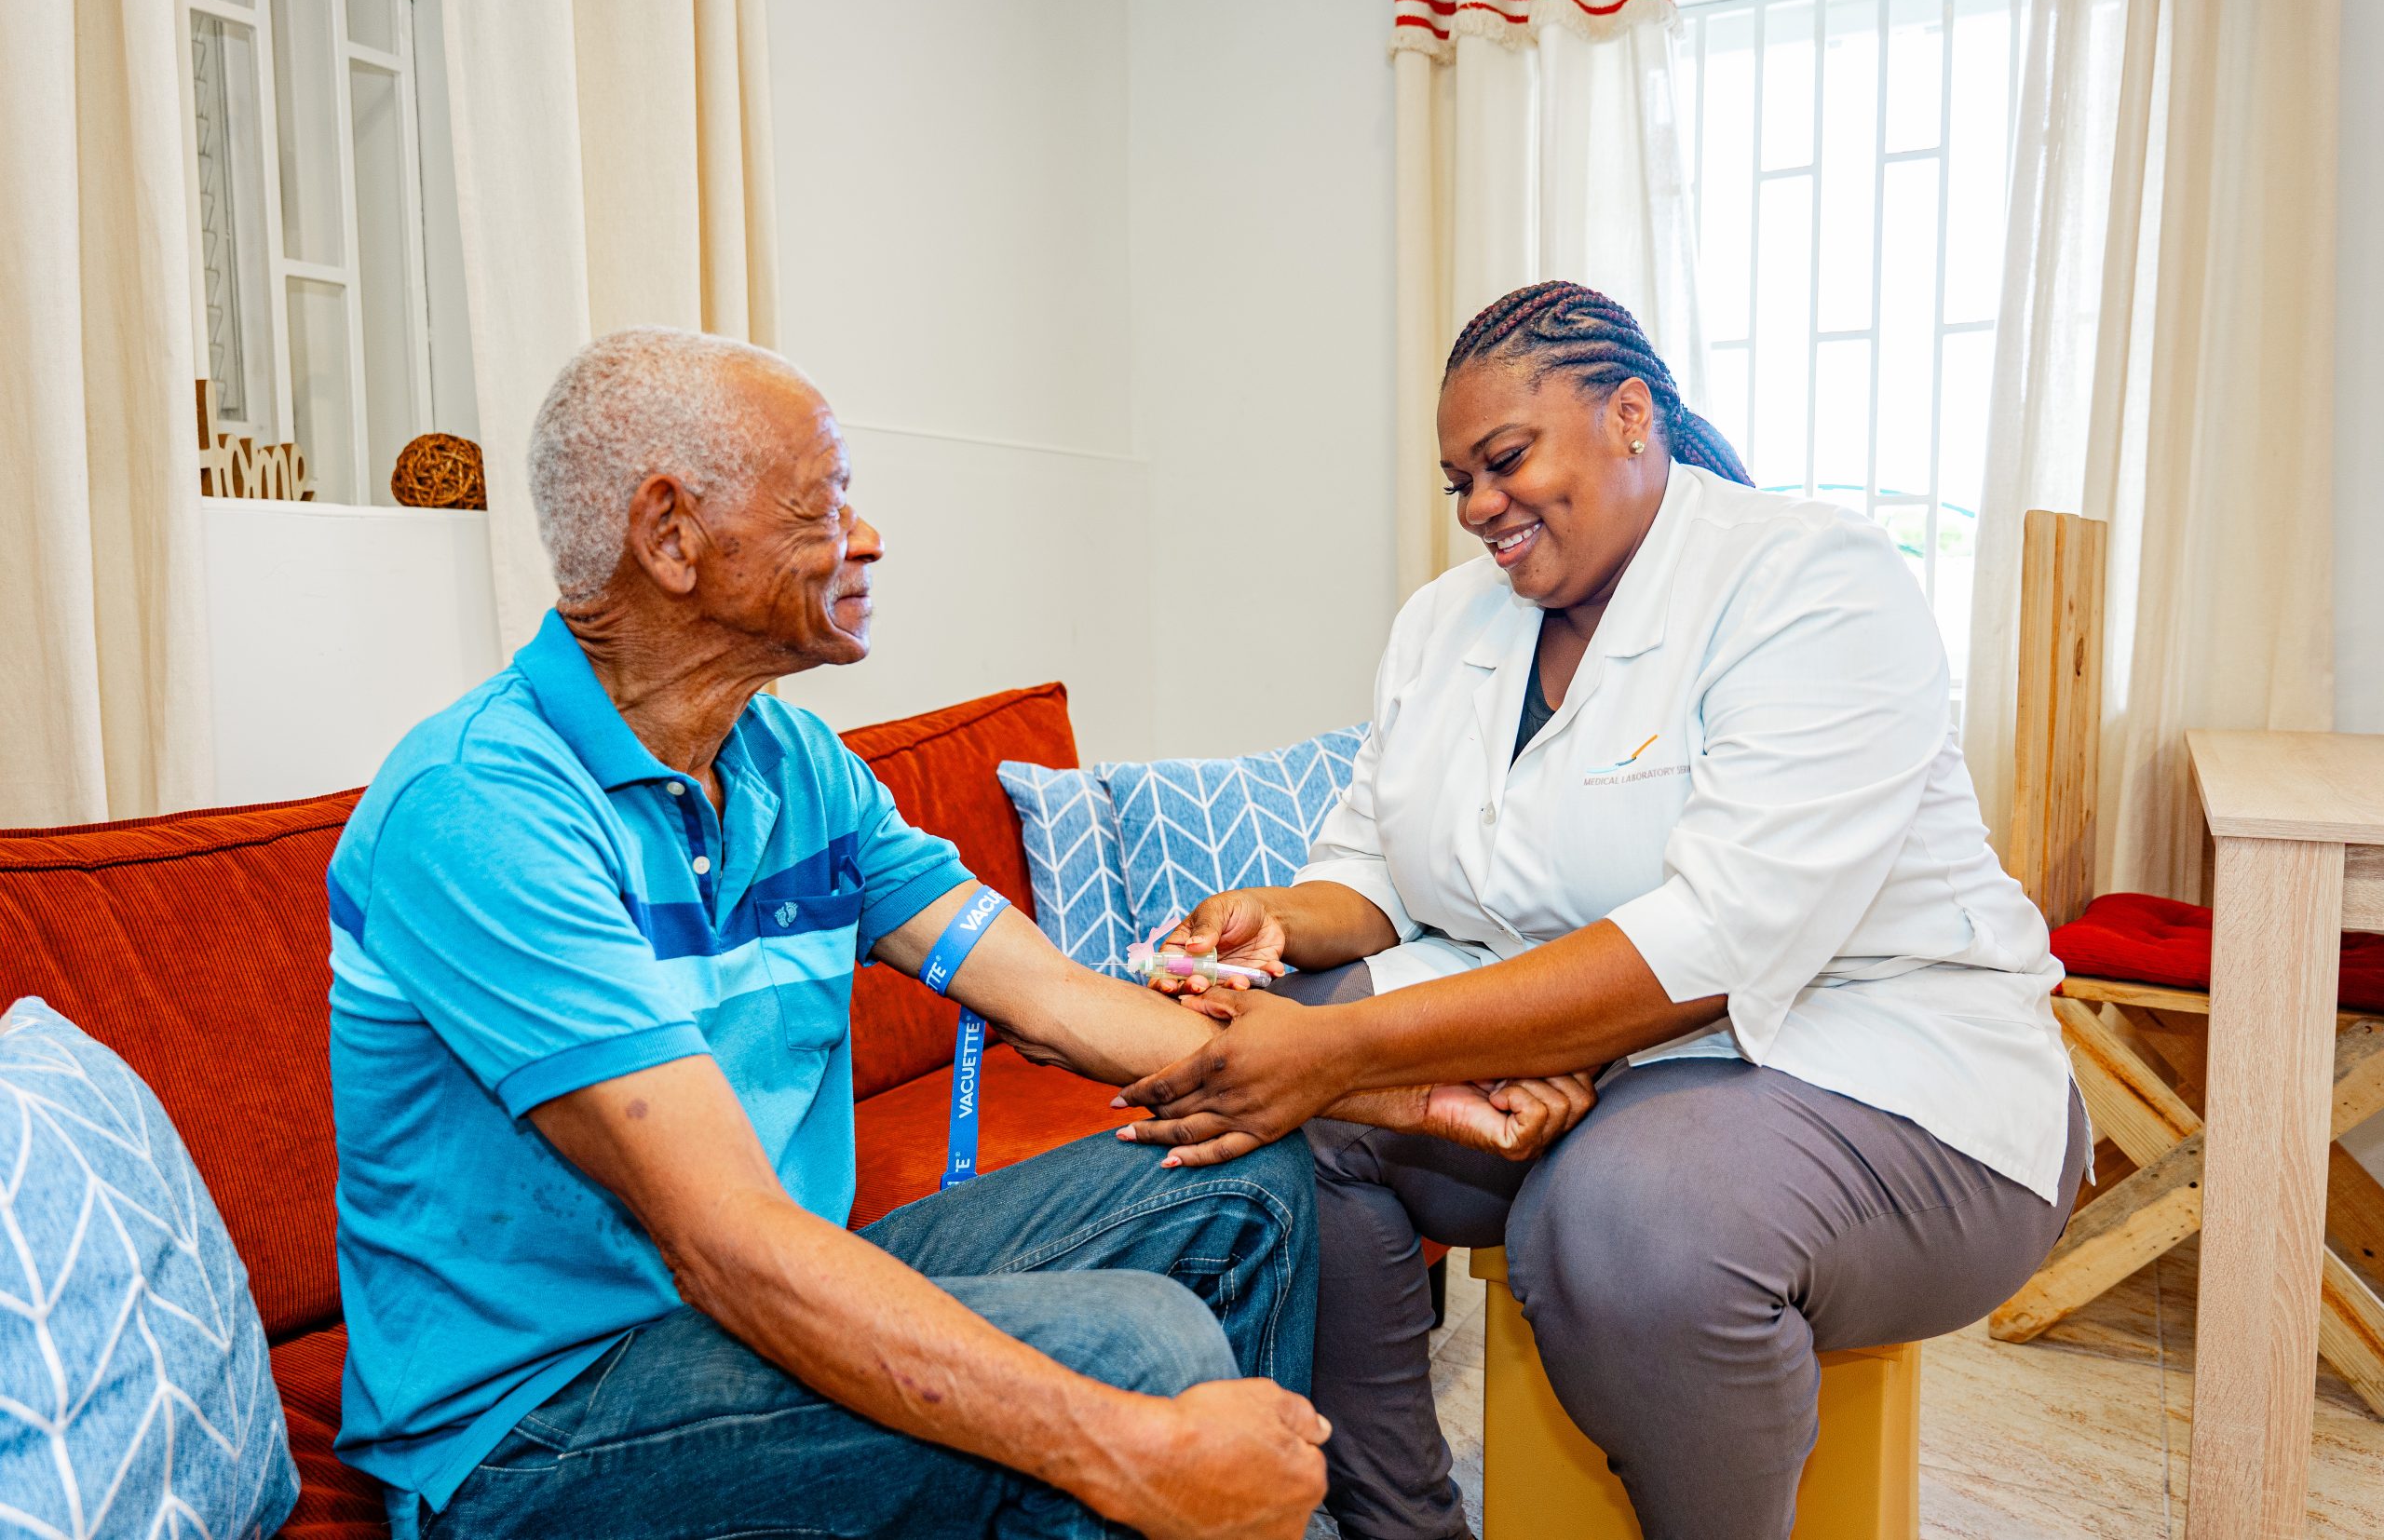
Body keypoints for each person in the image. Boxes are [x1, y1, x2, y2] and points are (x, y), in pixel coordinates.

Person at [324, 328, 1591, 1540]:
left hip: (753, 1295)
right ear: (669, 533)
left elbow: (1049, 994)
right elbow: (725, 1246)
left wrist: (1408, 1082)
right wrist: (1136, 1453)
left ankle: (1251, 1506)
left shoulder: (791, 764)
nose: (867, 537)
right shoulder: (481, 813)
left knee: (1243, 1166)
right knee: (1141, 1355)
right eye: (823, 506)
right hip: (537, 1432)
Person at [1121, 282, 2089, 1540]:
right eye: (1458, 477)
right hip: (1595, 1062)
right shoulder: (1440, 626)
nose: (1478, 507)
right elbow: (1374, 868)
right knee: (1280, 1112)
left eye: (1506, 459)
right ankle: (1397, 1526)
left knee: (1626, 1222)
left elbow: (1720, 937)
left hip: (1885, 1075)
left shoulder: (1811, 581)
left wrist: (1355, 1049)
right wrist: (1283, 923)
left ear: (1631, 415)